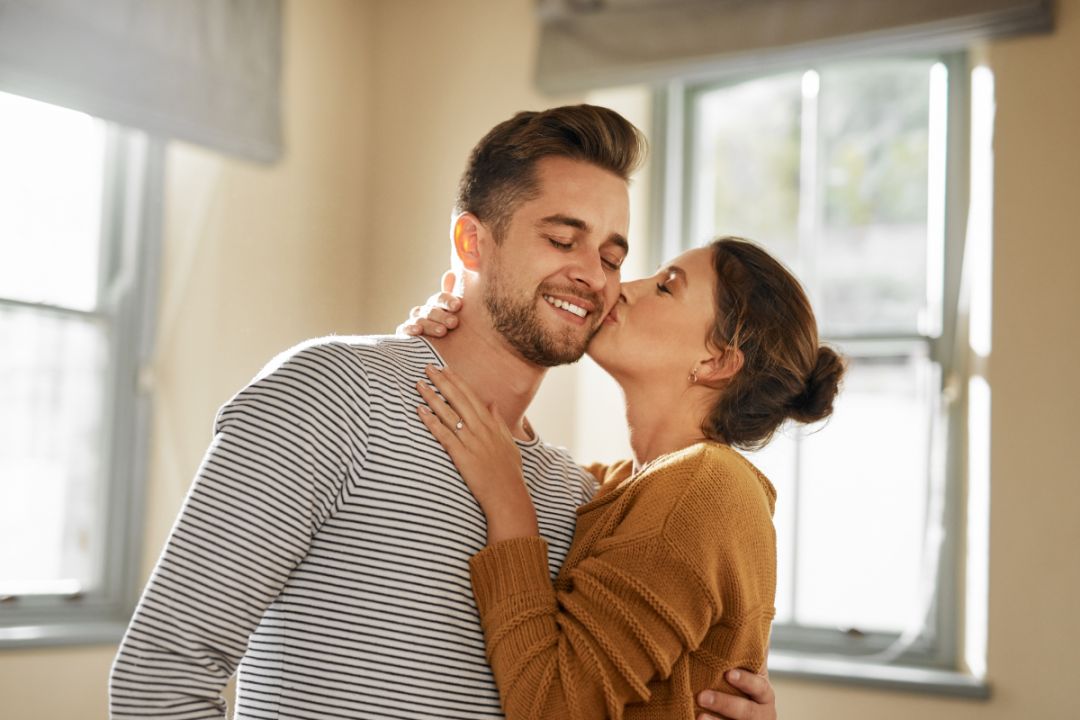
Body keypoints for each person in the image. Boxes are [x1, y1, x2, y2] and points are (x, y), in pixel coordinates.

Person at [109, 105, 777, 720]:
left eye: (610, 255)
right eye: (562, 238)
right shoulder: (332, 394)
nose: (595, 277)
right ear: (471, 244)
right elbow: (160, 678)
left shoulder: (578, 500)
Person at [407, 237, 844, 719]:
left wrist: (509, 504)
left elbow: (550, 707)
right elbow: (510, 459)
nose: (623, 288)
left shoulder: (701, 488)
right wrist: (438, 338)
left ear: (716, 361)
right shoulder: (623, 487)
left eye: (665, 287)